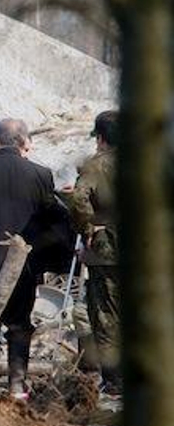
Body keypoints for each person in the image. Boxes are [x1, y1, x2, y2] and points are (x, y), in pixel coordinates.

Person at [0, 118, 57, 398]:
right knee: (19, 324)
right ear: (22, 142)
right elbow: (48, 221)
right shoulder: (41, 174)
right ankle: (17, 384)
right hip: (23, 265)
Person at [68, 110, 120, 394]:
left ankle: (114, 382)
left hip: (107, 252)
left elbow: (78, 199)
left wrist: (88, 228)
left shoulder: (95, 165)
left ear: (100, 138)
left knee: (105, 315)